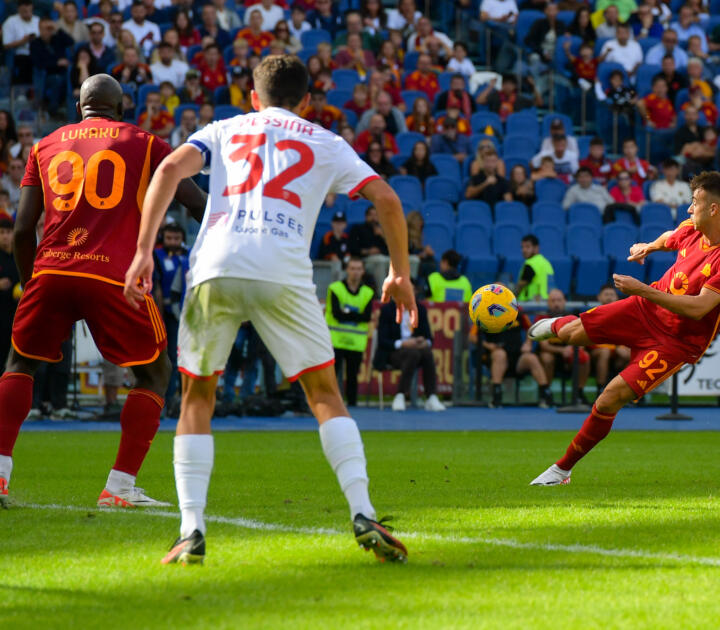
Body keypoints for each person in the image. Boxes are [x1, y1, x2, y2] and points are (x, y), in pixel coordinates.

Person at [123, 55, 412, 564]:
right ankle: (362, 510)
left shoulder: (226, 128)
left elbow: (168, 169)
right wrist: (399, 273)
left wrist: (145, 250)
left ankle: (191, 528)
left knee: (197, 395)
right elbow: (386, 197)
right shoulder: (325, 139)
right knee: (324, 392)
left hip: (216, 267)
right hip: (283, 270)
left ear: (252, 98)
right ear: (306, 101)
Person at [0, 74, 206, 509]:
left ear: (80, 108)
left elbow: (22, 230)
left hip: (52, 269)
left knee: (20, 363)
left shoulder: (45, 145)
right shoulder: (146, 144)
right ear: (122, 107)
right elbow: (195, 202)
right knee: (155, 373)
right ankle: (119, 486)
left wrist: (31, 279)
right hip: (113, 275)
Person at [527, 172, 720, 486]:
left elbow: (700, 307)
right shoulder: (691, 230)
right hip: (644, 311)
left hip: (676, 341)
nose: (689, 210)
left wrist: (642, 289)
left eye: (694, 203)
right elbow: (670, 236)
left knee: (609, 398)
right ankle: (556, 324)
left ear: (713, 209)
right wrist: (649, 247)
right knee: (571, 335)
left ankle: (562, 470)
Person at [374, 299, 445, 413]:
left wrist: (423, 341)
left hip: (416, 351)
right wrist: (403, 343)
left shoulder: (420, 309)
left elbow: (428, 337)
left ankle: (431, 397)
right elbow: (382, 340)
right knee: (413, 353)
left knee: (426, 352)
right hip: (392, 352)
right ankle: (400, 395)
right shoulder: (387, 310)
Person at [475, 307, 554, 409]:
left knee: (531, 358)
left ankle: (545, 394)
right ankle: (496, 396)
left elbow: (531, 329)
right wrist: (488, 346)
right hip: (497, 355)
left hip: (518, 357)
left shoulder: (518, 310)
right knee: (500, 355)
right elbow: (472, 336)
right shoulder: (485, 311)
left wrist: (528, 343)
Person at [326, 257, 374, 408]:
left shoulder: (368, 292)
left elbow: (366, 317)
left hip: (356, 342)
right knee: (332, 375)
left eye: (358, 269)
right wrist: (354, 315)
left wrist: (345, 312)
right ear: (347, 270)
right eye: (352, 268)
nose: (355, 272)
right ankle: (331, 403)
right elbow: (336, 314)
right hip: (336, 340)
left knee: (353, 376)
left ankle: (352, 405)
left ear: (363, 271)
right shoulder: (335, 288)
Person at [153, 223, 189, 406]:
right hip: (161, 312)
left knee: (178, 357)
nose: (173, 242)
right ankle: (163, 398)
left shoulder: (189, 255)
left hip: (184, 313)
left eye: (177, 238)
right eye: (169, 238)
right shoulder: (156, 256)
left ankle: (176, 397)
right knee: (163, 358)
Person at [587, 285, 630, 396]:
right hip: (596, 354)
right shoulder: (591, 314)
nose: (609, 297)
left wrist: (621, 348)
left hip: (616, 355)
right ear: (599, 297)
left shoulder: (624, 317)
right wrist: (615, 348)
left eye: (612, 295)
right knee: (604, 352)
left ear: (617, 298)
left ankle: (626, 391)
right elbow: (590, 341)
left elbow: (629, 338)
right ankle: (601, 391)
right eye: (606, 295)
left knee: (631, 353)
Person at [0, 214, 17, 368]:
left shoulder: (20, 256)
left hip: (16, 318)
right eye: (2, 233)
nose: (5, 236)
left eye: (8, 232)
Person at [515, 234, 554, 302]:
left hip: (532, 303)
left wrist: (512, 298)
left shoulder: (531, 264)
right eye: (522, 247)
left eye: (527, 247)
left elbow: (521, 285)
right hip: (547, 301)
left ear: (536, 248)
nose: (524, 250)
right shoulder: (546, 263)